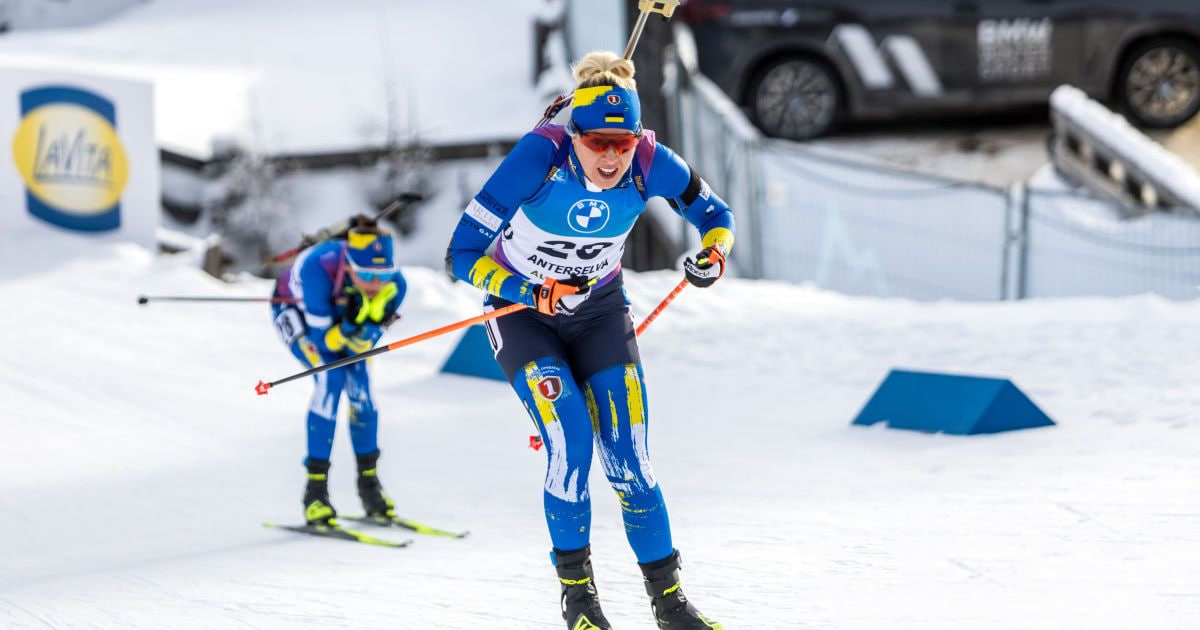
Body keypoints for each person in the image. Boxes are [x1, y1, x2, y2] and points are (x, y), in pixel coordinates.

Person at [446, 51, 733, 630]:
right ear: (573, 135)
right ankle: (580, 603)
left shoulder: (650, 160)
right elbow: (461, 254)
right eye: (596, 142)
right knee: (571, 446)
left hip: (599, 313)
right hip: (521, 315)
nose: (609, 157)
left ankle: (671, 606)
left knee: (630, 460)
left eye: (621, 143)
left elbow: (716, 214)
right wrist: (530, 290)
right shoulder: (539, 157)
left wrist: (714, 253)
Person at [271, 220, 407, 525]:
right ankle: (315, 493)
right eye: (366, 275)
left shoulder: (397, 285)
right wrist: (348, 327)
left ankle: (369, 486)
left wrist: (366, 328)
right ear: (348, 266)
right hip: (295, 311)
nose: (376, 283)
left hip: (338, 317)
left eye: (383, 275)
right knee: (329, 380)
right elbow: (323, 342)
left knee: (360, 386)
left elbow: (367, 341)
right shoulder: (317, 267)